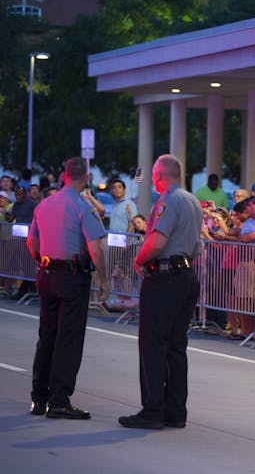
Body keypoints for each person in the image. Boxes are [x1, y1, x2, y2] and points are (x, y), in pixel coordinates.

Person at [118, 154, 202, 429]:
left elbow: (158, 240)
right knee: (176, 346)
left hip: (165, 275)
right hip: (187, 275)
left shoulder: (168, 200)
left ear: (160, 175)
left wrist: (139, 259)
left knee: (153, 343)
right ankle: (176, 410)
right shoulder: (192, 201)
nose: (153, 180)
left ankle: (153, 409)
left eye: (154, 175)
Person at [27, 157, 110, 419]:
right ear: (86, 179)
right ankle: (59, 400)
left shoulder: (44, 205)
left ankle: (39, 398)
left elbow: (32, 242)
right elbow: (95, 247)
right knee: (68, 338)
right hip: (73, 276)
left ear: (63, 176)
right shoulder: (83, 207)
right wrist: (104, 280)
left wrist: (44, 263)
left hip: (47, 273)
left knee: (47, 335)